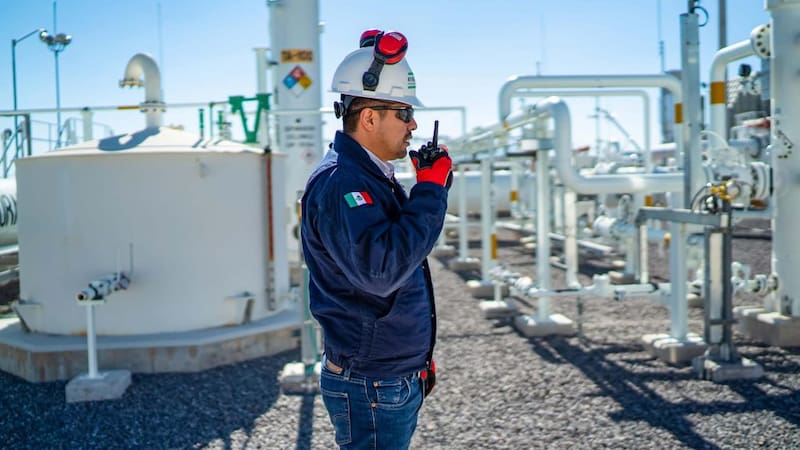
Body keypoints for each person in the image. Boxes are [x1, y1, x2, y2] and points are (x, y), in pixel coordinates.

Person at [300, 29, 452, 450]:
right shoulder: (342, 184)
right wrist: (431, 192)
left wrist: (414, 358)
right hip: (372, 384)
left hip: (388, 376)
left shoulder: (368, 177)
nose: (413, 123)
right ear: (369, 118)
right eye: (404, 113)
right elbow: (382, 271)